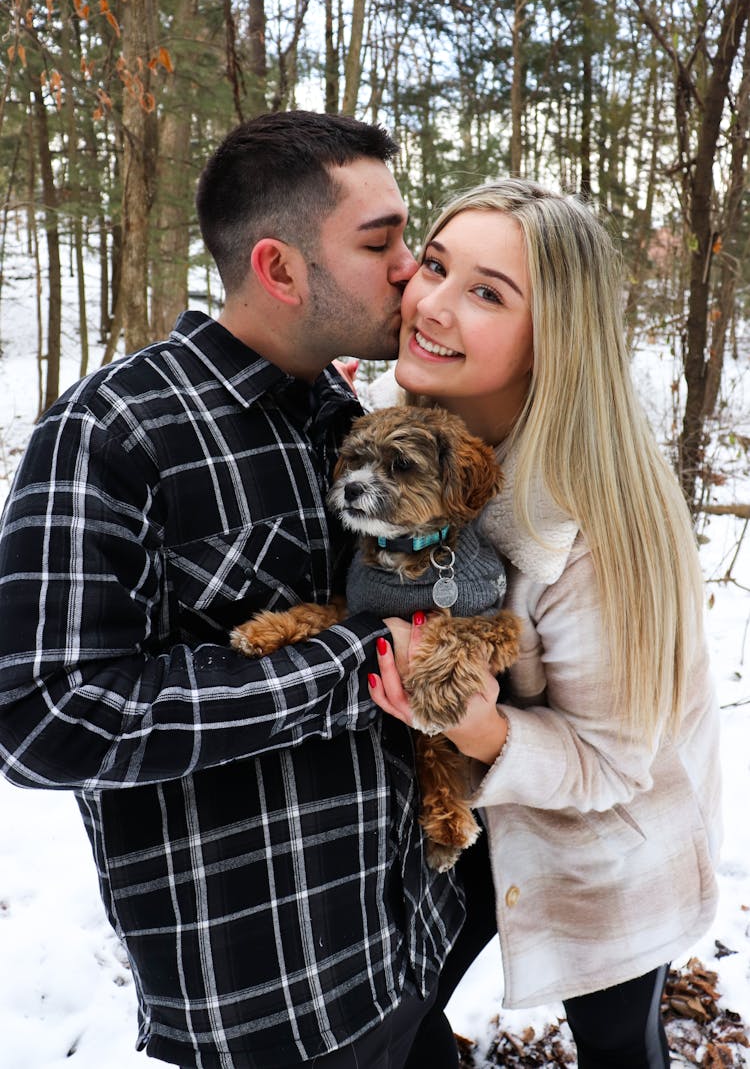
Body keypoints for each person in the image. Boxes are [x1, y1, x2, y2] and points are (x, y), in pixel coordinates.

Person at [0, 111, 466, 1069]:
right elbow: (43, 716)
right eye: (379, 241)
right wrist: (358, 662)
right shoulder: (115, 429)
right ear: (280, 267)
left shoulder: (350, 415)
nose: (409, 266)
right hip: (269, 1002)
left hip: (406, 939)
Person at [370, 178, 722, 1069]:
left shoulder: (596, 523)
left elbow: (615, 760)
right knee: (393, 1022)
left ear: (552, 339)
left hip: (613, 839)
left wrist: (471, 719)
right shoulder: (413, 433)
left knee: (617, 1041)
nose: (433, 305)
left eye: (488, 292)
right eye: (437, 266)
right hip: (472, 815)